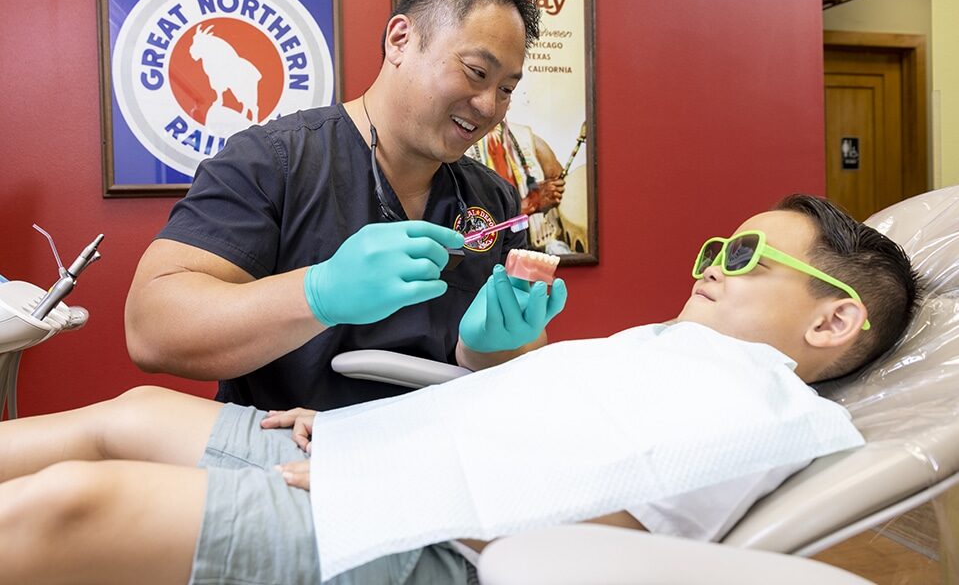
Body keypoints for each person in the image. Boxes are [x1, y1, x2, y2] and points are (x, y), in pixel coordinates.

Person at [0, 195, 919, 585]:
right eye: (717, 247)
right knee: (135, 413)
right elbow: (521, 424)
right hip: (381, 468)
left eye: (746, 256)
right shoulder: (670, 351)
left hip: (427, 531)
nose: (714, 265)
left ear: (833, 322)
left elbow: (599, 535)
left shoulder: (756, 404)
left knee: (80, 500)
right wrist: (376, 430)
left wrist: (393, 482)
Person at [124, 0, 568, 411]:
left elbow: (520, 363)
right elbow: (151, 328)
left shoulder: (493, 199)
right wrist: (318, 293)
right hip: (290, 459)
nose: (490, 105)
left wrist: (491, 347)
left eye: (507, 89)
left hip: (439, 455)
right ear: (400, 40)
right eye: (476, 72)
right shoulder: (273, 161)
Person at [469, 119, 570, 254]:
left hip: (539, 245)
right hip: (486, 255)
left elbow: (561, 185)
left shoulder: (526, 138)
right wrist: (530, 205)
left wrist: (552, 193)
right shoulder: (458, 149)